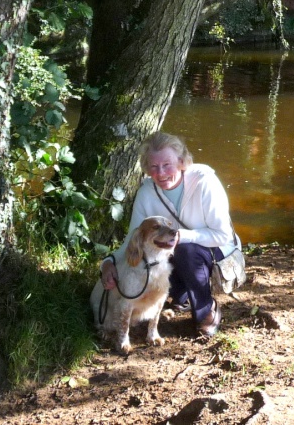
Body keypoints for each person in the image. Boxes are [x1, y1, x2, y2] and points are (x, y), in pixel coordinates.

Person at [100, 131, 236, 337]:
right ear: (147, 168)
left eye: (167, 165)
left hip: (217, 249)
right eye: (153, 167)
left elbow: (222, 235)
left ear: (182, 161)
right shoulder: (146, 192)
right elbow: (134, 239)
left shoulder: (205, 182)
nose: (161, 173)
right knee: (159, 252)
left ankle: (206, 309)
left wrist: (182, 236)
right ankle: (179, 296)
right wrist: (108, 263)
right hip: (172, 248)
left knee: (186, 251)